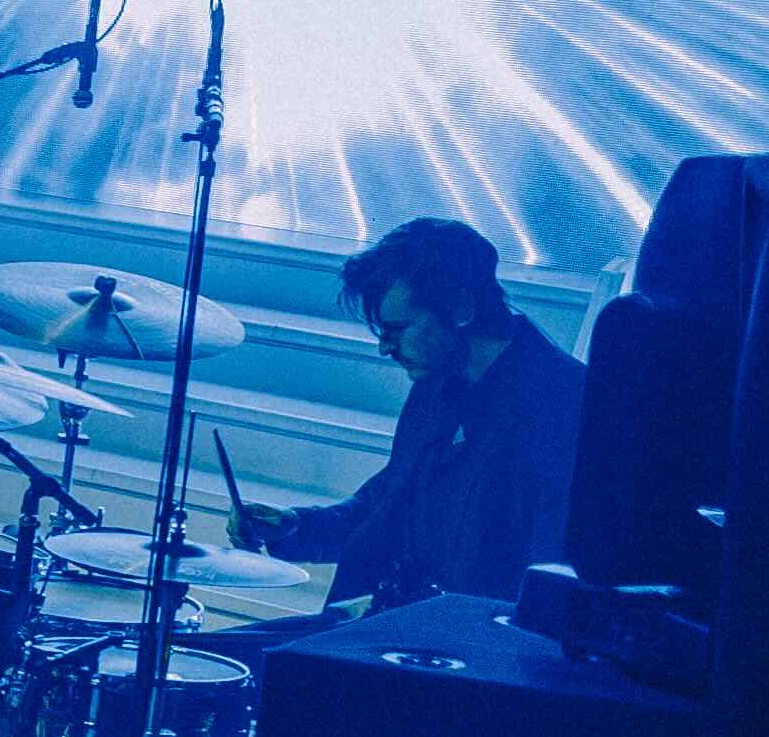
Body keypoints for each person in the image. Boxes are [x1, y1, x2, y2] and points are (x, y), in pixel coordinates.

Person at [234, 216, 583, 612]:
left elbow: (547, 588)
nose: (384, 348)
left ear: (461, 308)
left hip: (452, 643)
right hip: (385, 629)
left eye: (398, 328)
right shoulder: (438, 381)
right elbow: (384, 509)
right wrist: (294, 525)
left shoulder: (565, 409)